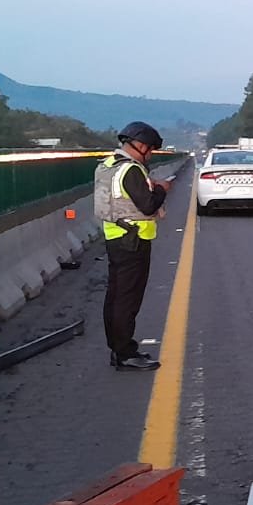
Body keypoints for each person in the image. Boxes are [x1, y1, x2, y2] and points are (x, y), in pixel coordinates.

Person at [96, 121, 168, 371]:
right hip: (133, 241)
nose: (150, 155)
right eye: (150, 150)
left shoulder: (108, 166)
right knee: (128, 298)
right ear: (140, 146)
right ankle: (126, 352)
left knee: (115, 296)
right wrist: (161, 189)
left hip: (116, 237)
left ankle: (117, 349)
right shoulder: (131, 170)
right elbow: (147, 205)